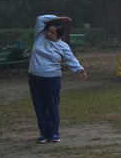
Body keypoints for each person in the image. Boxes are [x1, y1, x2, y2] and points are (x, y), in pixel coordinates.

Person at [28, 15, 87, 143]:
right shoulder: (39, 37)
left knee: (52, 105)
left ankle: (54, 132)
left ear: (59, 35)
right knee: (39, 106)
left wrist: (79, 70)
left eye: (52, 33)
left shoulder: (63, 46)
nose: (48, 34)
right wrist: (57, 17)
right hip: (35, 77)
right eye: (48, 31)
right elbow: (39, 19)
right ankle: (44, 133)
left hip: (52, 79)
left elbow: (71, 59)